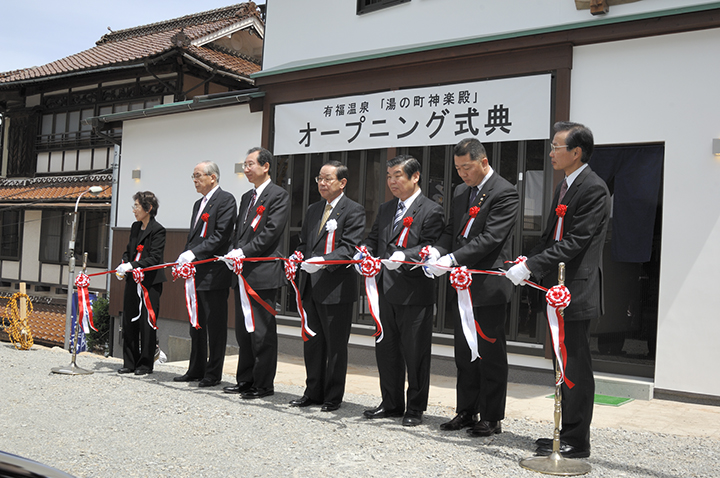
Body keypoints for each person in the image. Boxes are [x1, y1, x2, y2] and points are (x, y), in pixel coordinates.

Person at [506, 121, 610, 459]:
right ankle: (563, 432)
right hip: (557, 288)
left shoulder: (593, 188)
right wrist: (529, 260)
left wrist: (532, 266)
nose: (551, 152)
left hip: (575, 290)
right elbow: (552, 238)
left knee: (575, 365)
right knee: (562, 366)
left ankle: (577, 441)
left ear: (576, 152)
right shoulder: (565, 185)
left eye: (556, 147)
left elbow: (575, 242)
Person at [428, 138, 519, 437]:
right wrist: (438, 251)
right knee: (464, 350)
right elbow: (452, 230)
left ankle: (492, 417)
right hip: (461, 284)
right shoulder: (460, 191)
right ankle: (466, 410)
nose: (462, 174)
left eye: (466, 167)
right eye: (458, 168)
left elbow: (491, 238)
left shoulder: (504, 192)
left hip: (487, 283)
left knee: (490, 352)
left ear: (483, 161)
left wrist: (453, 258)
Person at [360, 155, 444, 427]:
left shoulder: (431, 210)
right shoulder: (386, 209)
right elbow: (374, 239)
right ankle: (391, 403)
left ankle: (415, 408)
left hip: (413, 293)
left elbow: (431, 246)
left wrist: (404, 255)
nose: (392, 181)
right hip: (384, 290)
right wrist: (364, 253)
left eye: (397, 175)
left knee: (415, 353)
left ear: (415, 176)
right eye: (388, 176)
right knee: (386, 349)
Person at [289, 161, 365, 412]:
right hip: (310, 286)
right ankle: (312, 392)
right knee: (312, 342)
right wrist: (298, 255)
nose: (322, 183)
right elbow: (305, 243)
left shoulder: (353, 210)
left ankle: (333, 396)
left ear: (342, 183)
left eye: (327, 179)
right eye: (319, 179)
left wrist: (322, 262)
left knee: (335, 345)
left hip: (336, 289)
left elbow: (349, 248)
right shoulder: (313, 210)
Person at [223, 147, 289, 399]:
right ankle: (245, 380)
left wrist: (244, 251)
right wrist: (232, 251)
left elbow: (270, 232)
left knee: (262, 331)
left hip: (262, 272)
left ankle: (263, 384)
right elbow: (239, 231)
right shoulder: (246, 197)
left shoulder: (278, 195)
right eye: (245, 165)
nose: (246, 169)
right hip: (241, 272)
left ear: (266, 166)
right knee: (244, 331)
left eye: (250, 164)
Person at [173, 161, 237, 387]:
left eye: (198, 175)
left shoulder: (226, 200)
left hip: (214, 272)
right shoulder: (197, 204)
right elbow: (193, 237)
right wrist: (184, 257)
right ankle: (195, 368)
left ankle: (213, 372)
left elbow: (220, 235)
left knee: (215, 326)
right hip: (195, 272)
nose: (195, 180)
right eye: (193, 176)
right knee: (196, 323)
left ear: (213, 177)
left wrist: (194, 254)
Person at [115, 191, 166, 375]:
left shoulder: (158, 230)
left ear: (148, 208)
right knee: (129, 320)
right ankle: (129, 362)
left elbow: (154, 258)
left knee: (147, 322)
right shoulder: (135, 227)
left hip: (149, 283)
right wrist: (123, 263)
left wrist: (132, 265)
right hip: (132, 280)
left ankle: (145, 364)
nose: (134, 210)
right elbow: (129, 251)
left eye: (136, 206)